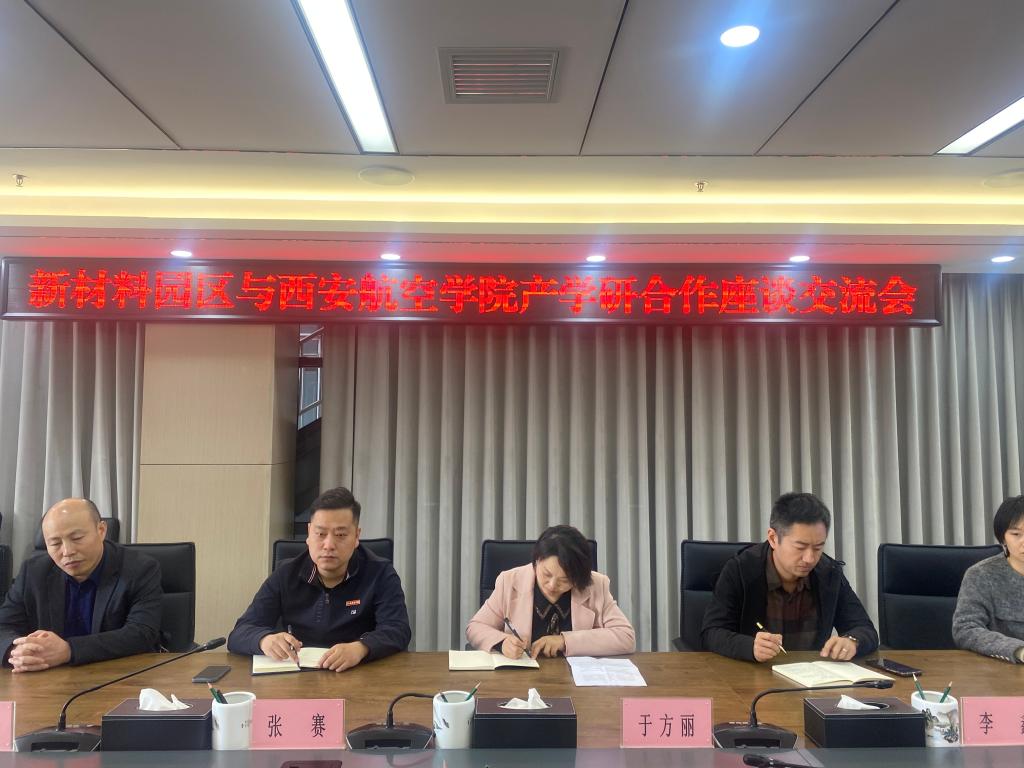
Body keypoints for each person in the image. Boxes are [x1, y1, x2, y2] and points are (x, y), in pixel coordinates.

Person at [228, 486, 411, 671]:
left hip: (358, 672)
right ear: (309, 533)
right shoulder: (286, 574)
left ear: (356, 536)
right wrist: (264, 640)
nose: (328, 545)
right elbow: (240, 633)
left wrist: (361, 648)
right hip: (297, 676)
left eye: (340, 535)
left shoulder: (380, 573)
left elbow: (398, 629)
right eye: (320, 534)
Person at [701, 492, 878, 662]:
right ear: (773, 538)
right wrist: (749, 647)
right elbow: (711, 632)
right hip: (753, 674)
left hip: (811, 675)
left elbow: (865, 629)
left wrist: (852, 641)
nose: (810, 558)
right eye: (800, 547)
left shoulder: (829, 572)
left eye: (818, 547)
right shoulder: (741, 569)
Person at [0, 498, 162, 672]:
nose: (67, 551)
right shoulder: (33, 572)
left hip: (119, 675)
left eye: (76, 538)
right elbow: (4, 626)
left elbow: (142, 633)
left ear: (101, 530)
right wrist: (17, 650)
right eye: (55, 543)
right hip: (49, 678)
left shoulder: (139, 569)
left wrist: (69, 650)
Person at [466, 524, 635, 657]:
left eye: (565, 580)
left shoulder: (596, 585)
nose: (552, 585)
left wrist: (565, 641)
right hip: (521, 680)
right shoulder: (509, 581)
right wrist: (502, 642)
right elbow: (475, 627)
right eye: (546, 574)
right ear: (536, 561)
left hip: (578, 681)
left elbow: (626, 637)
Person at [953, 495, 1024, 662]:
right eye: (1016, 534)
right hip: (1000, 669)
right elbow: (966, 629)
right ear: (1003, 538)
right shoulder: (981, 575)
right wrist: (1018, 651)